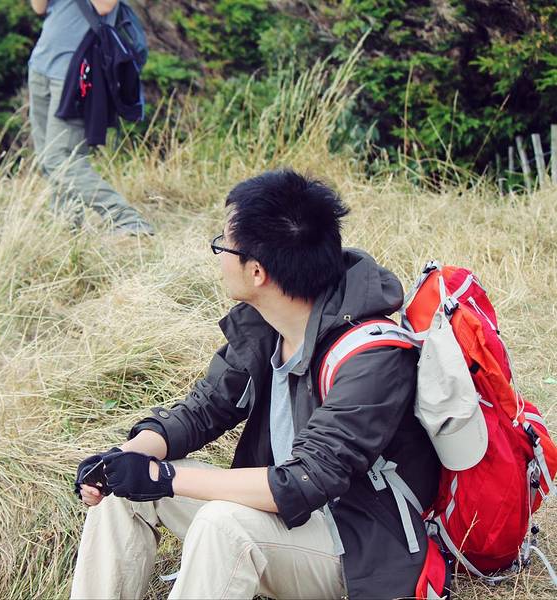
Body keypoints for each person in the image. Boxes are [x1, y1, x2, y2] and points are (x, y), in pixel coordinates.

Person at [71, 170, 441, 599]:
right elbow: (203, 410)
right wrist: (126, 459)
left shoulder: (372, 358)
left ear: (258, 271)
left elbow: (306, 479)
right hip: (281, 515)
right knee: (123, 490)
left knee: (223, 525)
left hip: (355, 546)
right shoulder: (268, 325)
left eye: (223, 246)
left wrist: (162, 476)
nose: (219, 257)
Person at [28, 0, 153, 234]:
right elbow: (39, 8)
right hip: (41, 65)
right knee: (48, 158)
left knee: (60, 158)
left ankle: (126, 219)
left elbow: (105, 6)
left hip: (76, 73)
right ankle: (67, 227)